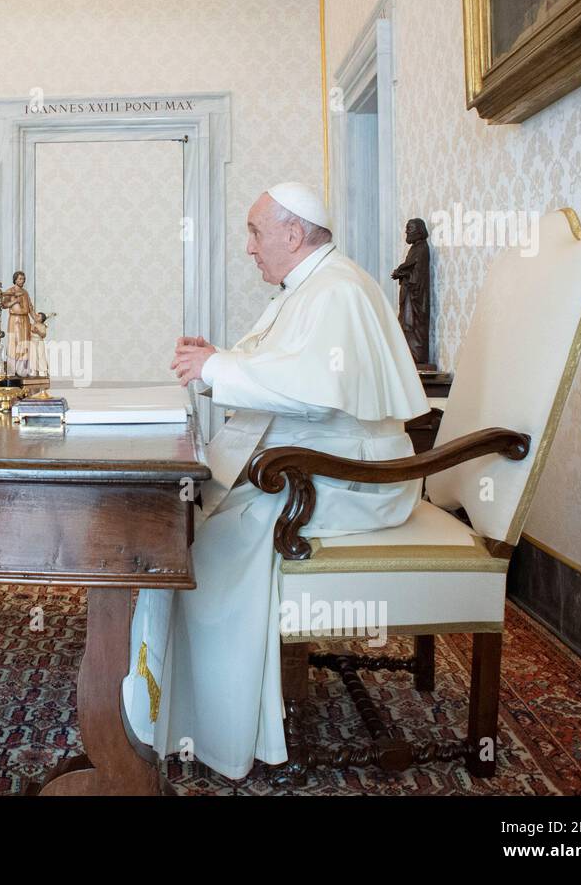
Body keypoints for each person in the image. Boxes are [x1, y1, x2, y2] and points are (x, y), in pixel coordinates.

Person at [123, 182, 428, 779]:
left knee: (200, 548)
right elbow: (289, 370)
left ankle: (211, 725)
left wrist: (218, 368)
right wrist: (221, 360)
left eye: (256, 233)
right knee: (185, 524)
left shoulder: (336, 289)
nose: (248, 247)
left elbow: (313, 390)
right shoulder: (313, 285)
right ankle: (172, 702)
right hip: (324, 464)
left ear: (293, 234)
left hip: (351, 479)